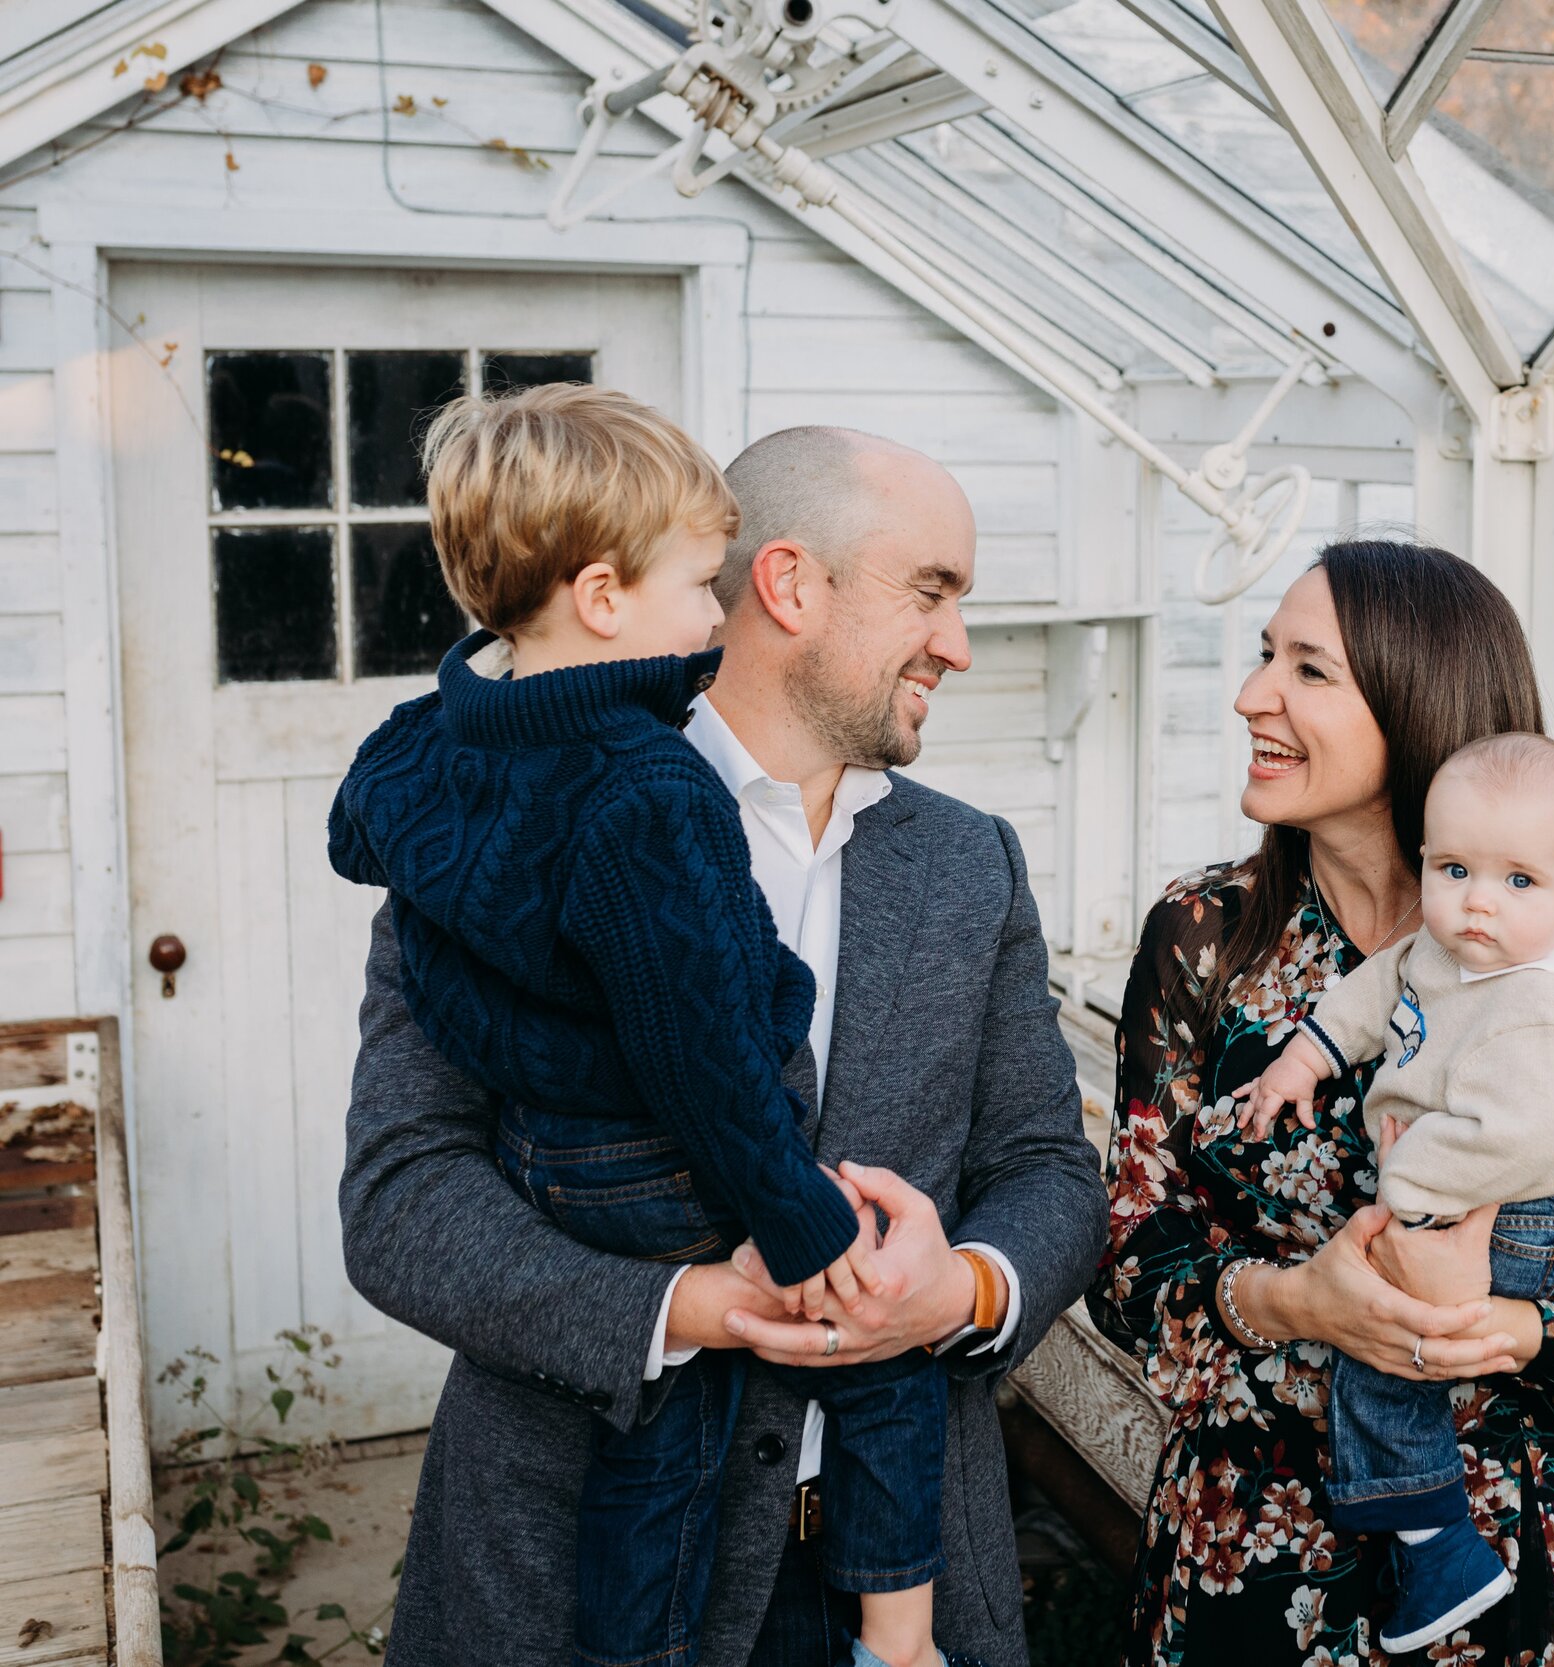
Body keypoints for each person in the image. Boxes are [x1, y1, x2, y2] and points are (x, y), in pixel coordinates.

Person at [339, 423, 1108, 1667]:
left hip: (900, 1576)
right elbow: (400, 1197)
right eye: (932, 593)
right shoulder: (510, 821)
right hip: (570, 1568)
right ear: (789, 582)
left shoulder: (973, 863)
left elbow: (1048, 1169)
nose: (958, 645)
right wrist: (694, 1305)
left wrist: (954, 1288)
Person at [1089, 539, 1554, 1667]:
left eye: (1308, 668)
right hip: (1263, 1560)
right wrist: (1298, 1302)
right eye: (1261, 658)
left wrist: (1517, 1326)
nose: (1252, 696)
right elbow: (1130, 1265)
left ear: (1416, 697)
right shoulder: (1202, 938)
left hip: (1533, 1555)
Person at [1242, 733, 1554, 1654]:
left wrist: (1407, 1206)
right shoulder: (1448, 949)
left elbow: (1511, 1138)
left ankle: (1438, 1547)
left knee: (1385, 1346)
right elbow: (1382, 987)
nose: (1477, 904)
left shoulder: (1537, 1006)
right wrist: (1309, 1053)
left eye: (1519, 883)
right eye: (1454, 869)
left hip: (1538, 1215)